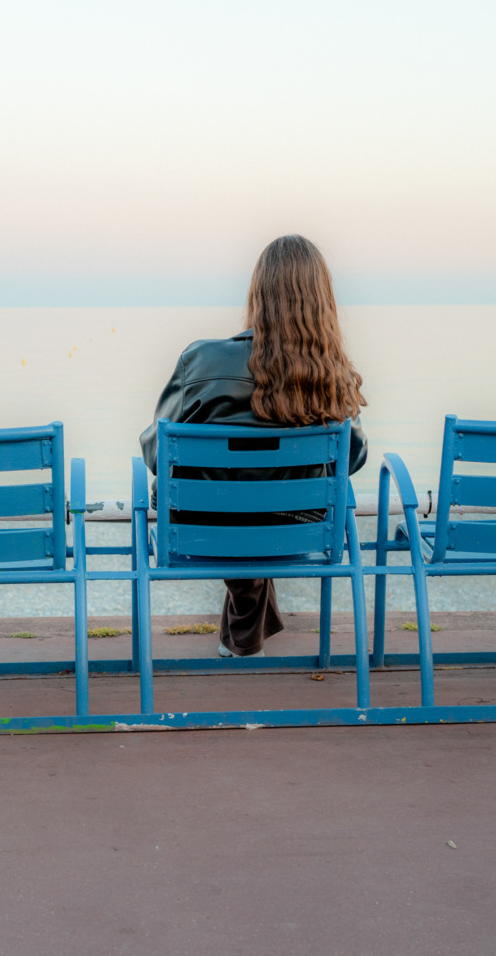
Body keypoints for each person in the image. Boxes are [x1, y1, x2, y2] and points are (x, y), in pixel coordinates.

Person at [140, 234, 368, 658]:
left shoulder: (200, 360)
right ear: (323, 302)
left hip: (205, 523)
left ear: (258, 294)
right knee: (261, 504)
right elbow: (352, 459)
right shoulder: (330, 376)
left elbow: (155, 454)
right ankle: (243, 639)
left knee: (233, 501)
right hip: (296, 522)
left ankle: (243, 640)